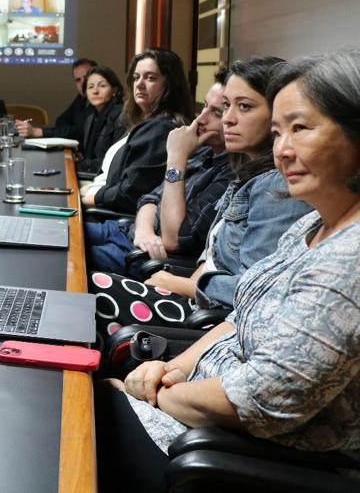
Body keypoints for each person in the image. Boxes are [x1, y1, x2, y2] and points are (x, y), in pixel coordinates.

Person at [96, 51, 360, 491]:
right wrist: (174, 369)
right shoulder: (313, 224)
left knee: (75, 412)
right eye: (277, 132)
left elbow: (259, 399)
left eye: (300, 128)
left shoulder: (348, 262)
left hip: (226, 454)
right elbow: (240, 316)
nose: (282, 150)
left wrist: (160, 393)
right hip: (196, 412)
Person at [90, 58, 310, 335]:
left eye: (244, 107)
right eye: (225, 106)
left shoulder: (275, 185)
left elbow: (251, 287)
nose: (227, 118)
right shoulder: (240, 169)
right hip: (182, 282)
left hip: (209, 316)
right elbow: (152, 199)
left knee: (87, 285)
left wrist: (181, 283)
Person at [83, 73, 231, 272]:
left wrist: (176, 159)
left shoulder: (228, 174)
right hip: (130, 230)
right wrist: (143, 230)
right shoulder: (204, 151)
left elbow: (174, 239)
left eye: (217, 113)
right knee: (55, 232)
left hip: (144, 256)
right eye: (204, 106)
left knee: (62, 259)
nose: (201, 119)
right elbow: (150, 198)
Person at [81, 49, 194, 214]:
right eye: (136, 77)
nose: (139, 84)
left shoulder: (160, 129)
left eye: (150, 78)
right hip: (99, 197)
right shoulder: (141, 121)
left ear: (169, 84)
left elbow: (129, 194)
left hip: (109, 214)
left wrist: (89, 198)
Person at [17, 57, 96, 140]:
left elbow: (82, 132)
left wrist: (37, 131)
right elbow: (61, 120)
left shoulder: (99, 101)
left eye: (86, 77)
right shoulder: (82, 98)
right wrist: (69, 131)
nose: (83, 83)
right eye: (78, 80)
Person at [78, 65, 126, 175]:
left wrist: (82, 164)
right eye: (90, 87)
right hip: (92, 172)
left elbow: (116, 159)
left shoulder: (121, 116)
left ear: (114, 90)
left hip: (108, 176)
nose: (95, 91)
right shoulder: (91, 116)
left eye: (102, 86)